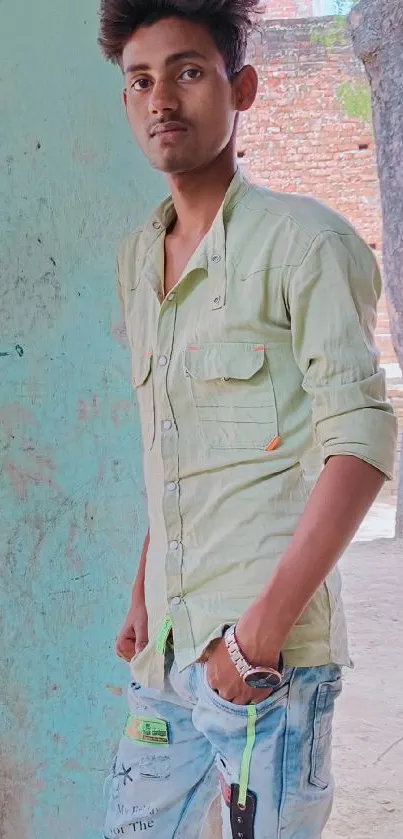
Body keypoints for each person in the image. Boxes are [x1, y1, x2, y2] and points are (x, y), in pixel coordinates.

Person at [98, 2, 397, 837]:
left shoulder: (303, 244)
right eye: (141, 80)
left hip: (260, 661)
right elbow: (177, 439)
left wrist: (256, 637)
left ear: (243, 88)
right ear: (127, 104)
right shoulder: (137, 258)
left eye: (189, 72)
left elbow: (361, 441)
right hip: (163, 647)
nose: (162, 99)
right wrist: (140, 588)